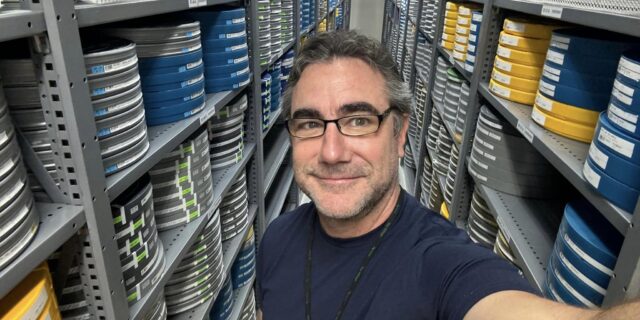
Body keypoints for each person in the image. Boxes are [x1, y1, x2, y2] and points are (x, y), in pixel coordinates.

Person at [256, 30, 639, 320]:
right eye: (308, 124)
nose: (332, 152)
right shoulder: (275, 240)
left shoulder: (444, 266)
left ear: (400, 133)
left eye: (359, 120)